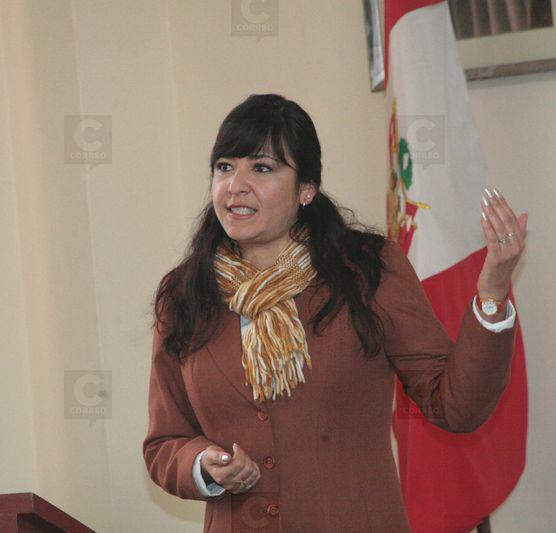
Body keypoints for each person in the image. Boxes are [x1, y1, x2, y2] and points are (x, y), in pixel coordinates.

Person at [143, 94, 527, 532]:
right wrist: (202, 463)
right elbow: (164, 443)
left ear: (306, 189)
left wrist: (492, 292)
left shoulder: (367, 271)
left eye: (262, 168)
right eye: (224, 167)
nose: (236, 185)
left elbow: (454, 405)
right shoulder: (184, 293)